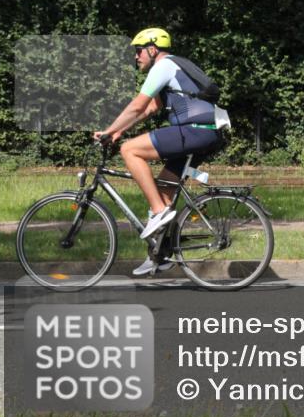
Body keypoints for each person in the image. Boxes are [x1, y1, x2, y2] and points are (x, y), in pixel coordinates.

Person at [94, 28, 222, 276]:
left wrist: (109, 132)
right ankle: (159, 255)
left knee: (130, 150)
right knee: (163, 189)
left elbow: (137, 105)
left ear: (152, 49)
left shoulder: (163, 66)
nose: (136, 57)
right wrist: (118, 131)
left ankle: (160, 212)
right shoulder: (174, 66)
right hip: (207, 132)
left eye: (139, 51)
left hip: (194, 130)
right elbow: (150, 109)